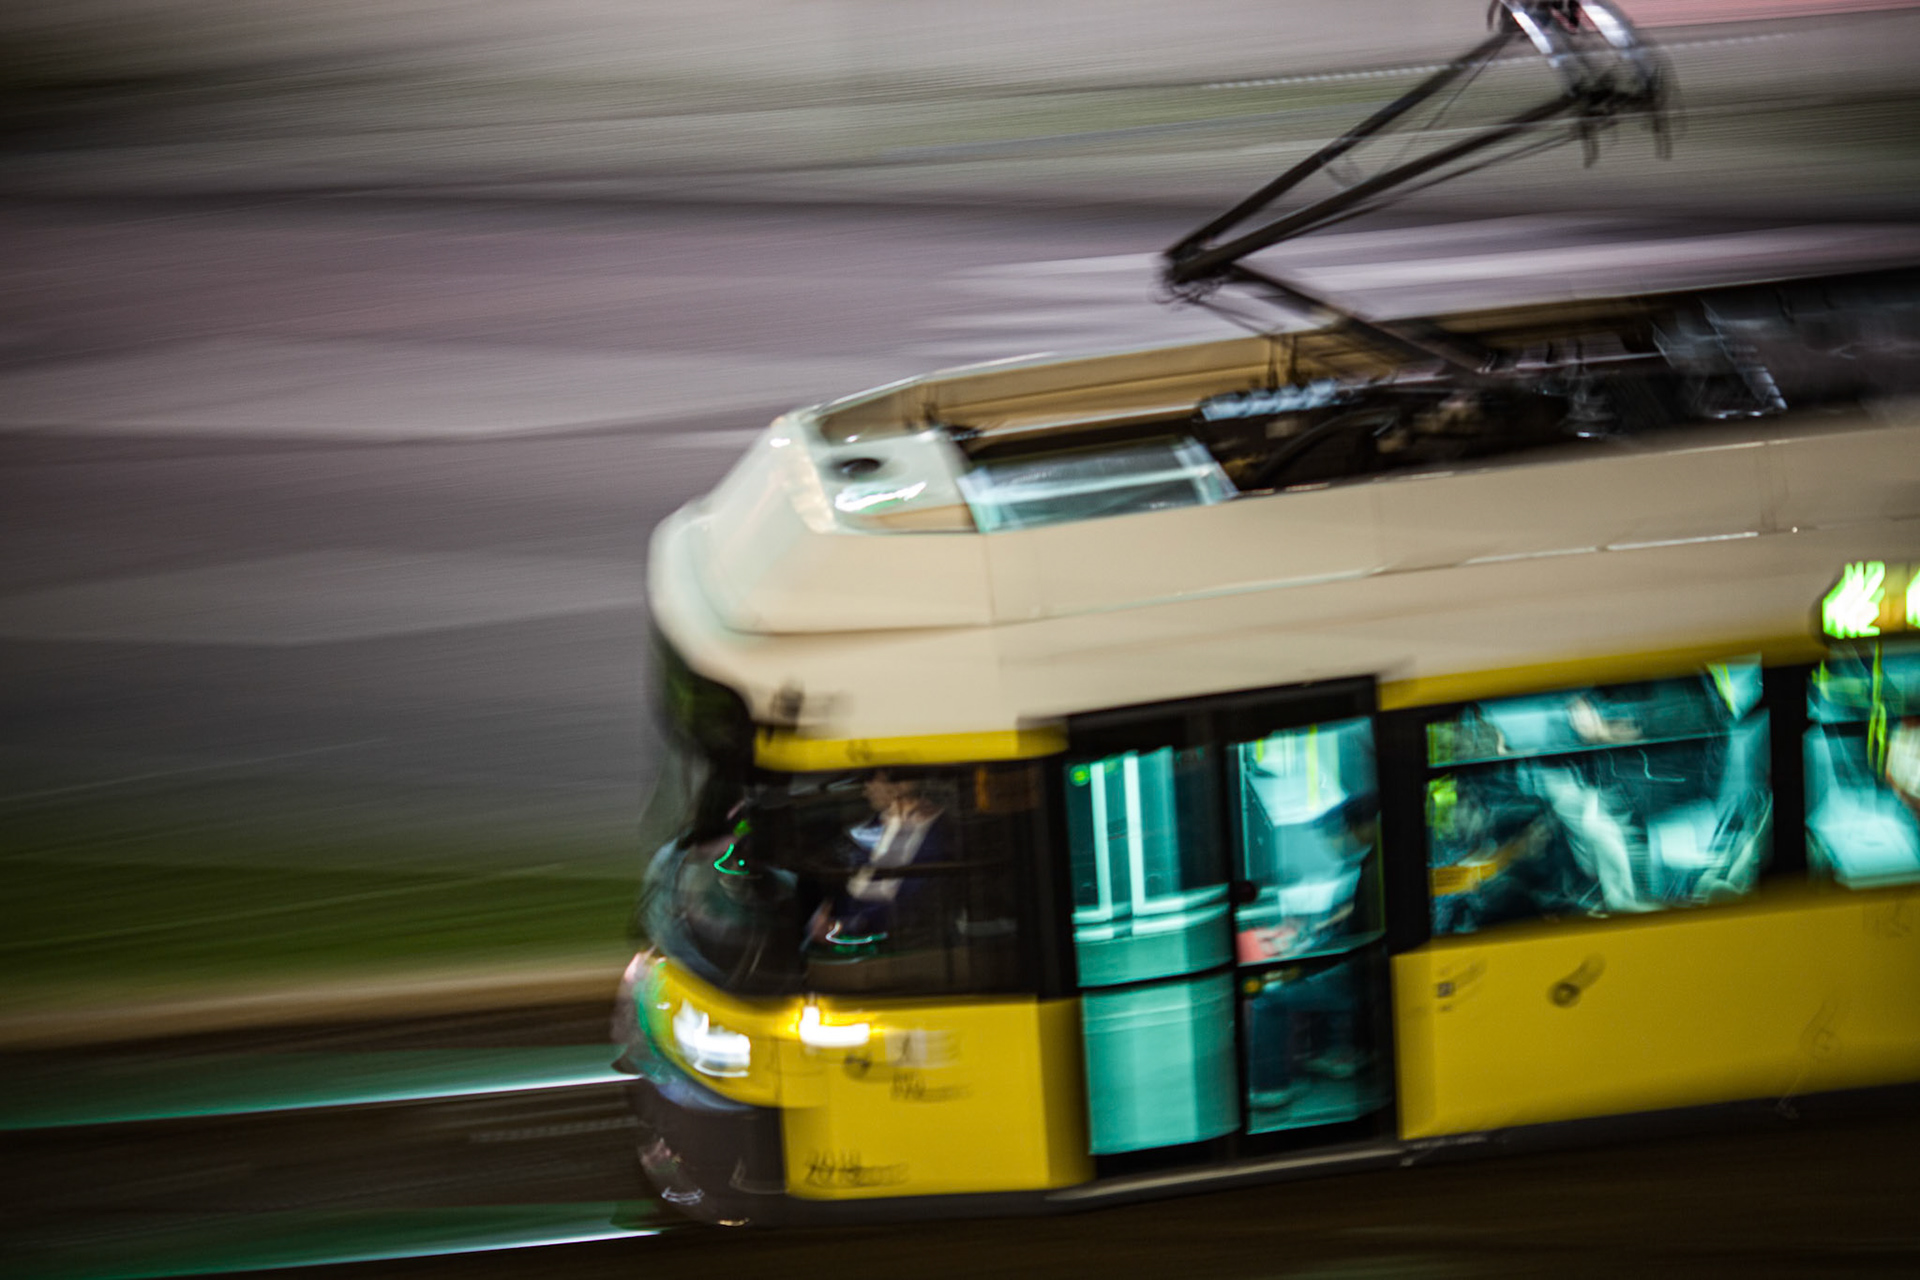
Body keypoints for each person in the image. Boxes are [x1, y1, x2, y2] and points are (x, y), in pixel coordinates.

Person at [806, 771, 950, 953]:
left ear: (900, 786)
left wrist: (845, 925)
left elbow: (910, 904)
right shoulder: (877, 824)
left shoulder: (933, 836)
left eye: (871, 780)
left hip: (892, 943)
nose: (866, 790)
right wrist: (827, 908)